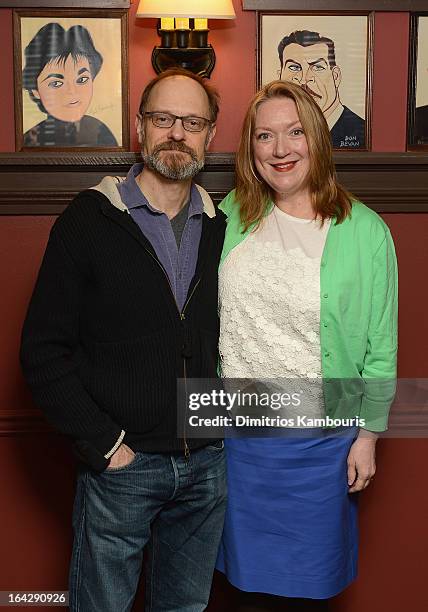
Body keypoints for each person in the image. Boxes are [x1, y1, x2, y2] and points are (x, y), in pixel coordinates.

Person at [20, 68, 227, 612]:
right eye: (163, 119)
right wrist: (108, 447)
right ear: (141, 127)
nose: (176, 133)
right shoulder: (88, 220)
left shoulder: (225, 227)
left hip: (205, 468)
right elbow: (42, 352)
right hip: (122, 472)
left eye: (192, 121)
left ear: (210, 133)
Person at [215, 80, 397, 610]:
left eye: (295, 132)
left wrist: (368, 436)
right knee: (242, 588)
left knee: (309, 587)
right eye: (264, 136)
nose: (280, 149)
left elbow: (380, 346)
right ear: (251, 148)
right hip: (237, 441)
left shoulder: (365, 232)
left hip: (321, 443)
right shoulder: (229, 216)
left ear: (318, 138)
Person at [22, 22, 118, 147]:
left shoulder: (101, 133)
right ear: (35, 90)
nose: (72, 91)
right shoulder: (30, 140)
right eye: (56, 83)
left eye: (82, 80)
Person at [278, 30, 365, 149]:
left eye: (317, 67)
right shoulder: (273, 136)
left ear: (336, 76)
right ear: (279, 77)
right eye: (294, 67)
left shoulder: (361, 133)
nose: (304, 79)